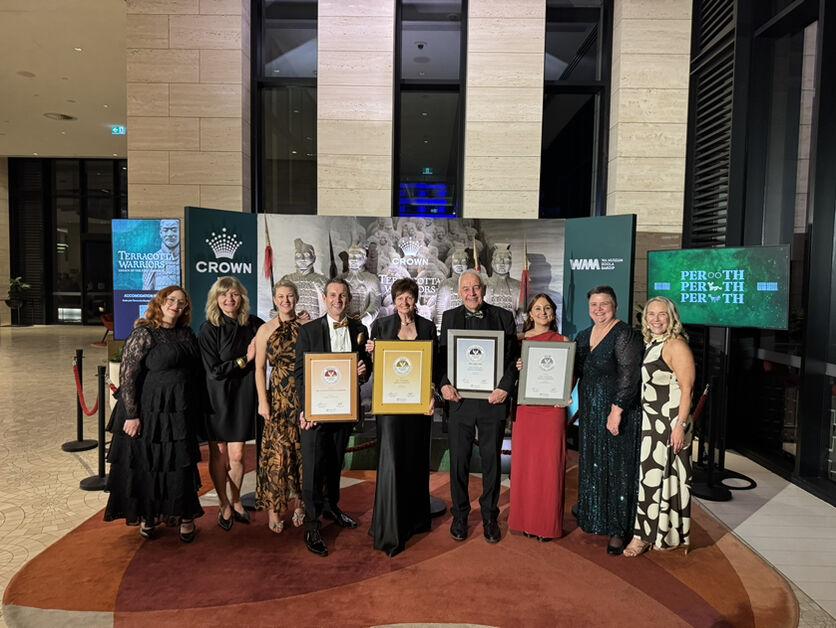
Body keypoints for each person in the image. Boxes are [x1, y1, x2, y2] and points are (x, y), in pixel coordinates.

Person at [104, 285, 204, 542]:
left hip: (179, 410)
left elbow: (196, 370)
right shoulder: (144, 333)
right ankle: (149, 516)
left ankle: (185, 516)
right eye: (171, 299)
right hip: (149, 411)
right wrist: (132, 415)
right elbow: (128, 376)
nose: (175, 305)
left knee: (179, 464)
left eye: (181, 302)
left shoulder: (186, 333)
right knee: (149, 464)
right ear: (160, 302)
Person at [294, 277, 372, 557]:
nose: (337, 300)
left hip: (344, 409)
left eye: (342, 295)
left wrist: (364, 370)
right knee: (313, 468)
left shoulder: (360, 329)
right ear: (325, 299)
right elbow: (300, 373)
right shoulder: (309, 330)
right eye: (332, 295)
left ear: (348, 299)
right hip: (315, 413)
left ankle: (331, 507)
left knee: (335, 462)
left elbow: (365, 367)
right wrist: (306, 409)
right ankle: (312, 525)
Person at [439, 269, 518, 544]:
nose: (471, 293)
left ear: (484, 289)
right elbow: (441, 357)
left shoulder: (503, 316)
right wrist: (443, 384)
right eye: (466, 289)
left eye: (476, 288)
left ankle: (489, 516)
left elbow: (513, 359)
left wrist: (505, 387)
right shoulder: (449, 317)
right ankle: (460, 515)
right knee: (458, 462)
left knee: (491, 462)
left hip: (492, 401)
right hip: (459, 401)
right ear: (459, 292)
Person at [365, 278, 437, 556]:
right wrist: (371, 354)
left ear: (415, 299)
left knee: (415, 460)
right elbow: (373, 369)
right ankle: (390, 528)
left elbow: (433, 366)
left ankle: (415, 520)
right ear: (393, 301)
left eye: (408, 297)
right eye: (399, 298)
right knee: (392, 462)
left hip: (418, 407)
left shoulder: (427, 327)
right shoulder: (381, 326)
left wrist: (432, 393)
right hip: (391, 407)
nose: (404, 303)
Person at [624, 297, 695, 557]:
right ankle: (659, 534)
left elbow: (687, 389)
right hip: (653, 422)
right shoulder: (653, 343)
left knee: (657, 481)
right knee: (653, 480)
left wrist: (680, 426)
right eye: (651, 314)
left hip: (669, 423)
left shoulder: (676, 345)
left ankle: (642, 537)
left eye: (662, 314)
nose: (656, 319)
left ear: (672, 317)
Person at [574, 286, 643, 555]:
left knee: (617, 467)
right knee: (594, 461)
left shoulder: (624, 334)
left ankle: (618, 528)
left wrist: (617, 410)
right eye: (594, 304)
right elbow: (573, 370)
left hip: (618, 411)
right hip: (591, 411)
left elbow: (629, 375)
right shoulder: (583, 335)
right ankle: (594, 513)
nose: (599, 309)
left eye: (604, 303)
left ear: (615, 305)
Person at [198, 276, 264, 531]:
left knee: (237, 454)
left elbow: (275, 332)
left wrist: (300, 320)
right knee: (219, 453)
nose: (229, 299)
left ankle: (236, 500)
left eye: (234, 294)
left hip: (243, 395)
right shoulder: (208, 329)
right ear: (216, 299)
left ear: (242, 297)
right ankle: (223, 503)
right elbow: (214, 371)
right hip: (216, 398)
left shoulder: (252, 324)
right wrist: (245, 359)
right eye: (224, 295)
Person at [509, 294, 568, 542]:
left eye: (547, 308)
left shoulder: (563, 342)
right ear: (530, 314)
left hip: (552, 411)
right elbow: (508, 376)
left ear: (553, 313)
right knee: (525, 466)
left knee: (550, 466)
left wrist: (565, 394)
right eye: (537, 308)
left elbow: (569, 375)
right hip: (526, 409)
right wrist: (517, 368)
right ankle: (525, 521)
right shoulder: (519, 341)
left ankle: (546, 525)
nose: (542, 312)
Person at [254, 280, 311, 534]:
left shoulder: (307, 327)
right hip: (277, 398)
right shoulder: (265, 329)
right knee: (277, 456)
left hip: (302, 396)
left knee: (302, 453)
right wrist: (262, 400)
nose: (285, 300)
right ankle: (274, 509)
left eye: (289, 296)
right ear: (275, 300)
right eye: (281, 296)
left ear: (296, 298)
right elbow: (259, 368)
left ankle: (300, 504)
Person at [142, 219, 180, 290]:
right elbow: (146, 290)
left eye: (174, 230)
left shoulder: (187, 258)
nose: (170, 234)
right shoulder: (152, 260)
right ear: (161, 233)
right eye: (165, 230)